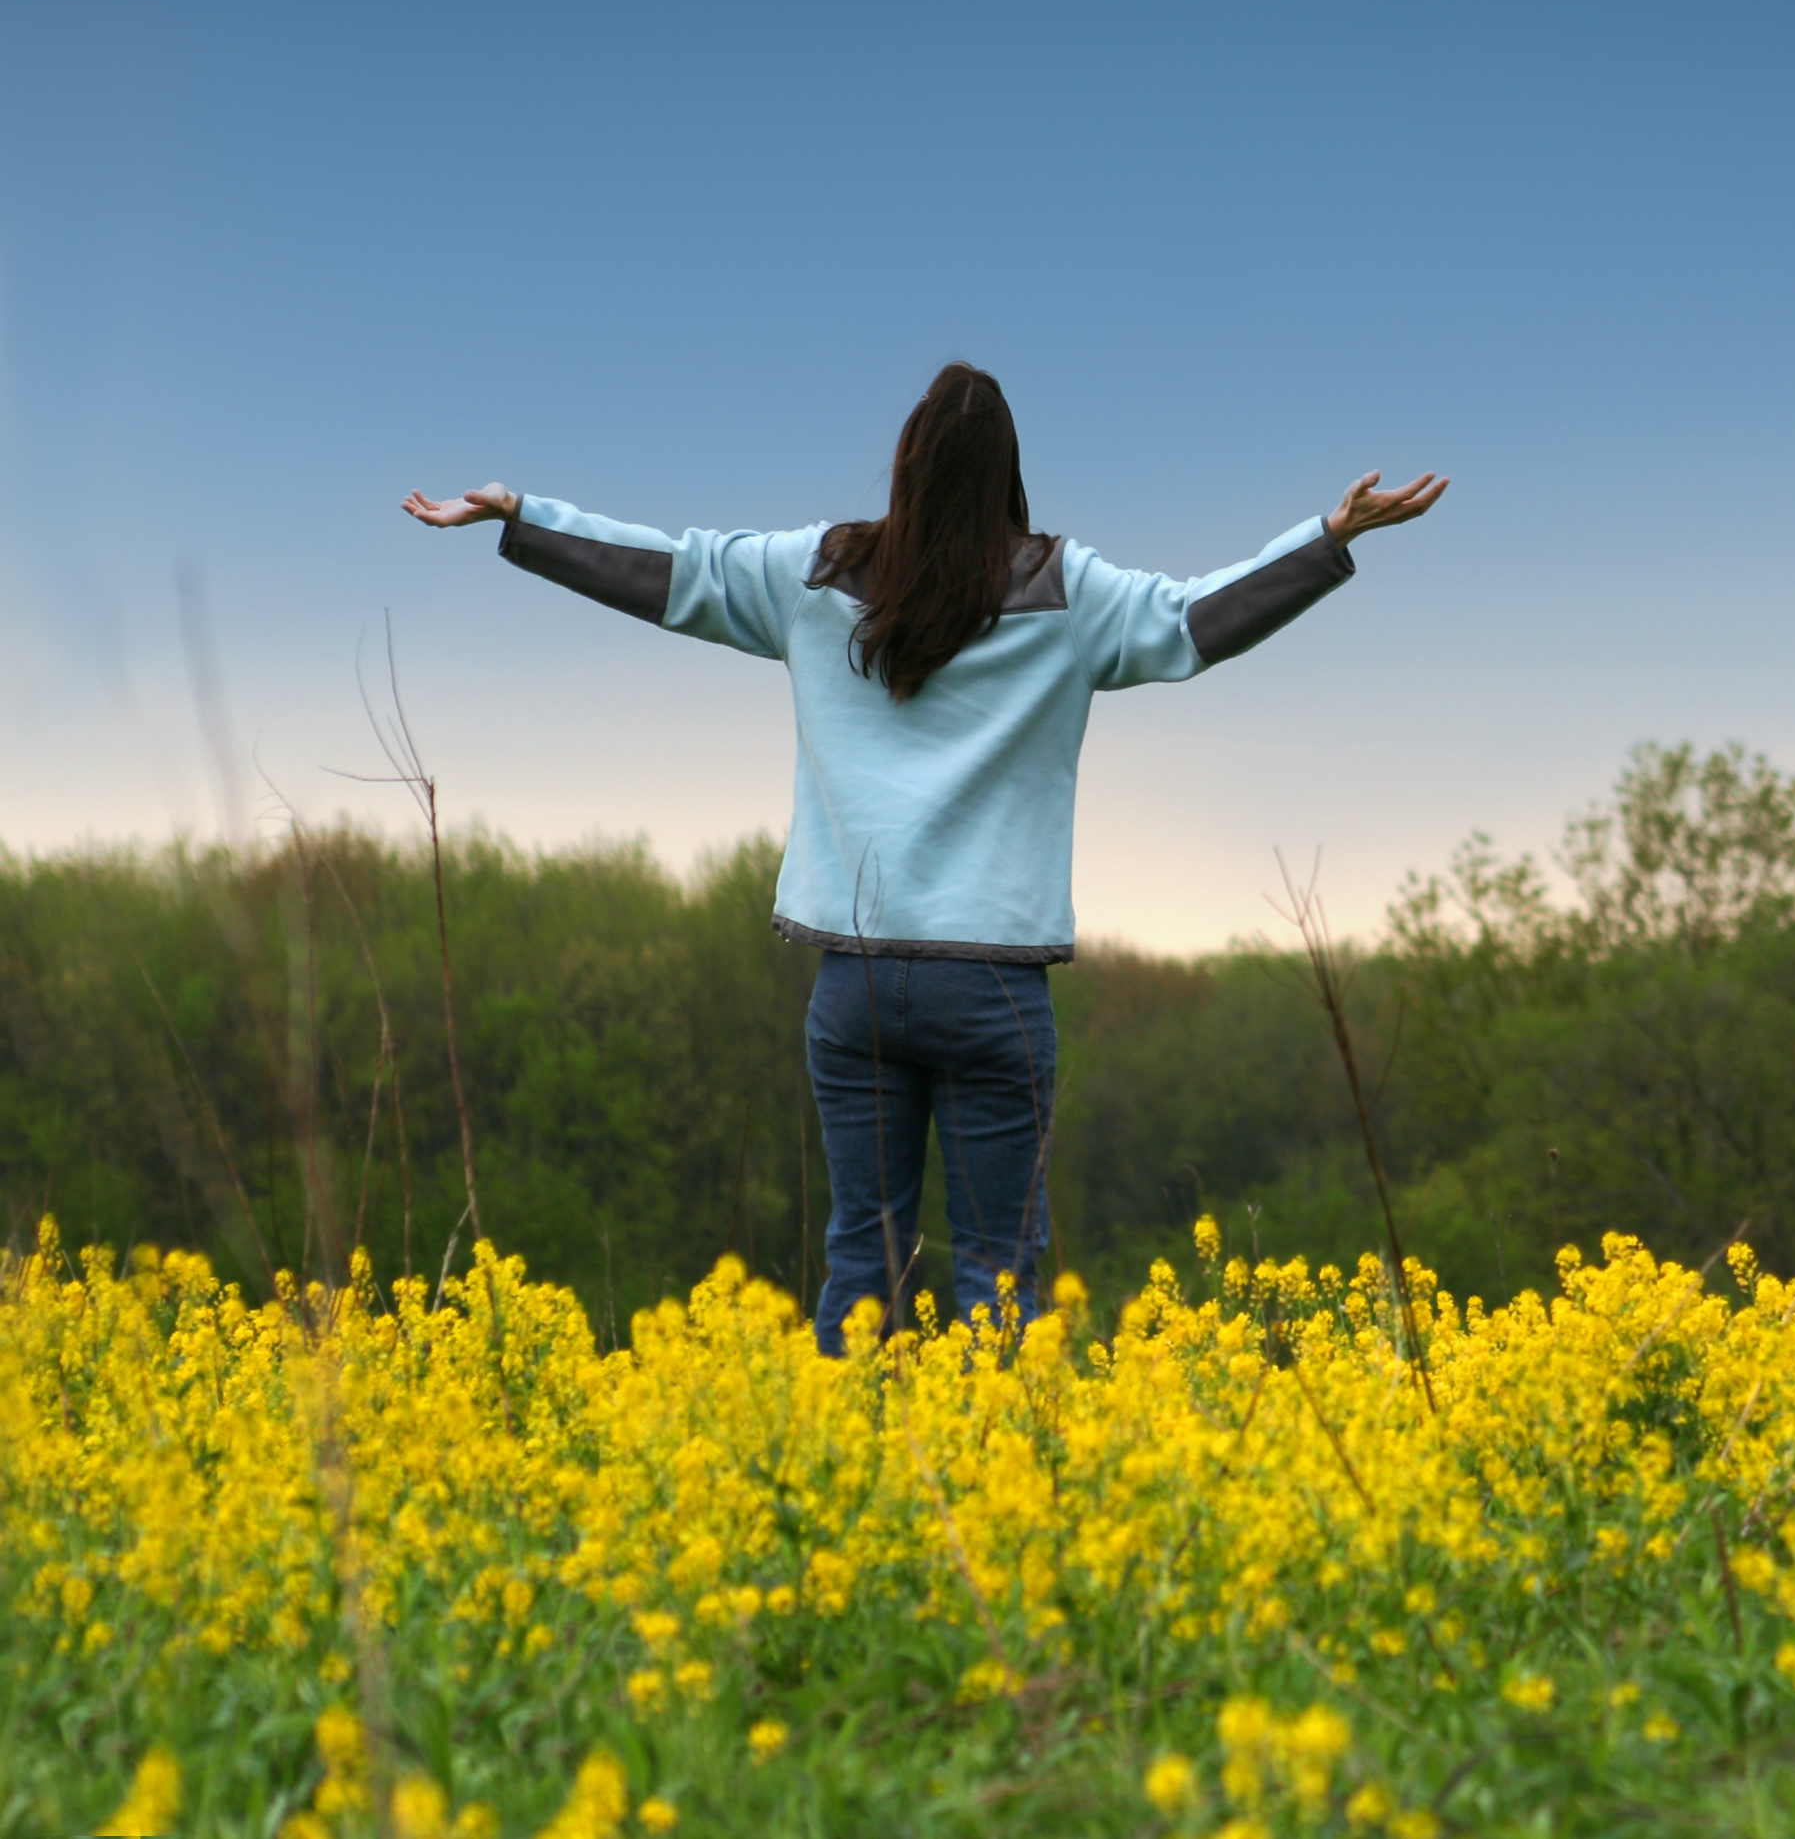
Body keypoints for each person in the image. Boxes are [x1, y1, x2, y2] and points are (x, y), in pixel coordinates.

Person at [403, 362, 1446, 1354]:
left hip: (854, 980)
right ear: (1009, 476)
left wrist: (523, 519)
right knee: (1001, 1275)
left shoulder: (813, 573)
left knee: (863, 1260)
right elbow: (1195, 622)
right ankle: (1006, 1499)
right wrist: (1326, 539)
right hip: (993, 987)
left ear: (902, 468)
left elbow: (669, 572)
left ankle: (860, 1486)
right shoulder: (1068, 592)